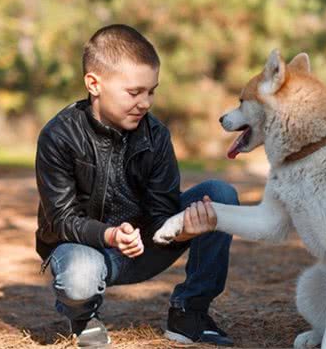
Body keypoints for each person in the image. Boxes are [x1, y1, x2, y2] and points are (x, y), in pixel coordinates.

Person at [35, 24, 235, 347]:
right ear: (93, 84)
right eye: (134, 92)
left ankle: (189, 312)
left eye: (152, 91)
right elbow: (60, 220)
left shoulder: (156, 136)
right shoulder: (59, 136)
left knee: (221, 196)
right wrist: (110, 235)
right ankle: (84, 318)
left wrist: (185, 228)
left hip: (143, 248)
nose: (145, 103)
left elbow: (161, 217)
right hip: (86, 250)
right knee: (79, 276)